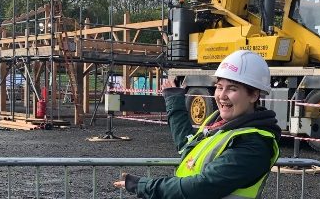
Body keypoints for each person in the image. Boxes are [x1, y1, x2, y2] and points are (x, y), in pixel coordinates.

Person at [113, 49, 281, 198]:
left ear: (254, 95)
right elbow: (188, 146)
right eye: (219, 86)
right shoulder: (220, 125)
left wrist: (144, 186)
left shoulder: (254, 145)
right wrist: (174, 101)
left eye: (232, 88)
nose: (222, 95)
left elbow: (202, 186)